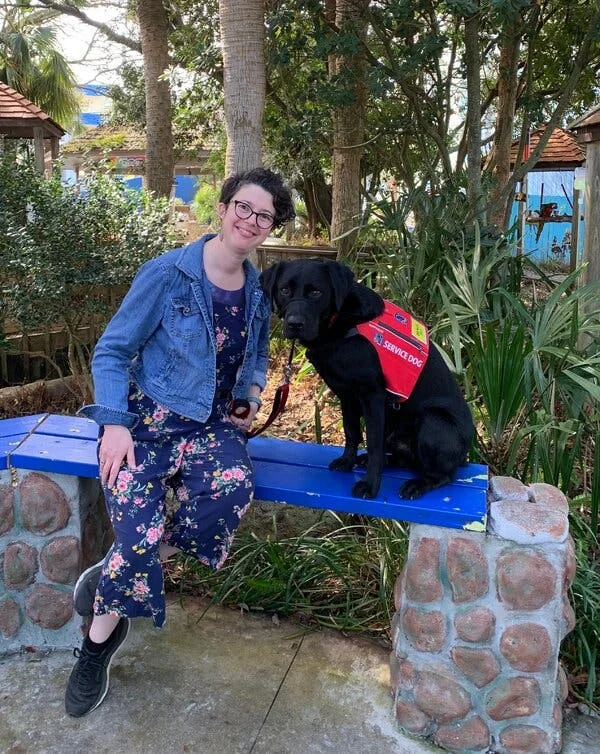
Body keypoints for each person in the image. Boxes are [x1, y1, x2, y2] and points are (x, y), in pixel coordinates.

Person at [65, 167, 295, 718]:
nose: (251, 220)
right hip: (142, 424)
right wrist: (115, 422)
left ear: (270, 228)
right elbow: (112, 351)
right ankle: (96, 644)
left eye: (264, 216)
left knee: (231, 490)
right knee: (137, 530)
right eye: (244, 206)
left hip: (211, 428)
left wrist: (250, 392)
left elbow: (256, 353)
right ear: (223, 207)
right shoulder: (168, 274)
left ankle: (125, 561)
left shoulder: (258, 292)